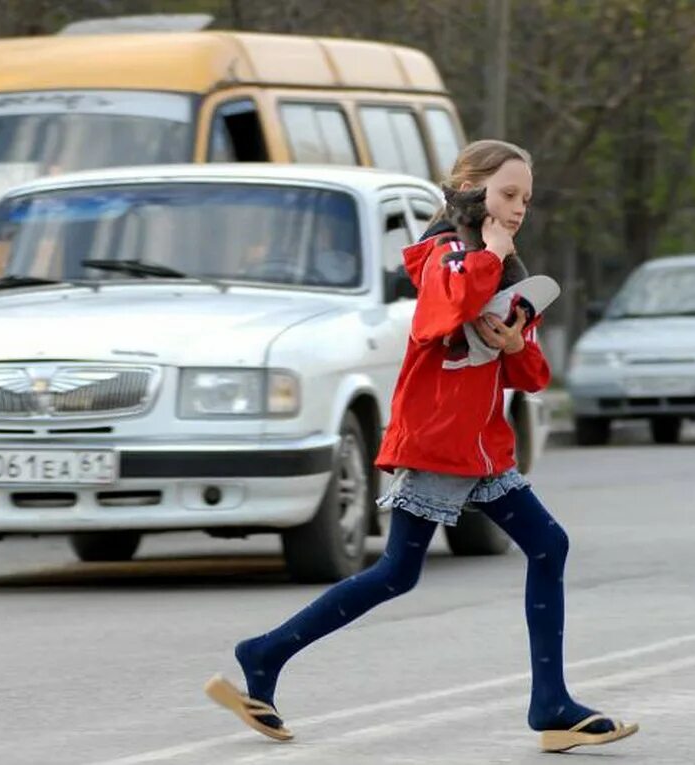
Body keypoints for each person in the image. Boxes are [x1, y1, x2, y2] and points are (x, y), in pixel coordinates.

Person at [205, 140, 638, 754]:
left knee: (545, 547)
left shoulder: (504, 271)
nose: (518, 210)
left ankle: (551, 704)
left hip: (483, 450)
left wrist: (517, 346)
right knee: (398, 573)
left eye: (526, 200)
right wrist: (488, 254)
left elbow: (532, 377)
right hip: (438, 445)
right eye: (508, 195)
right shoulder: (445, 255)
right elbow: (440, 314)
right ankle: (264, 654)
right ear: (469, 187)